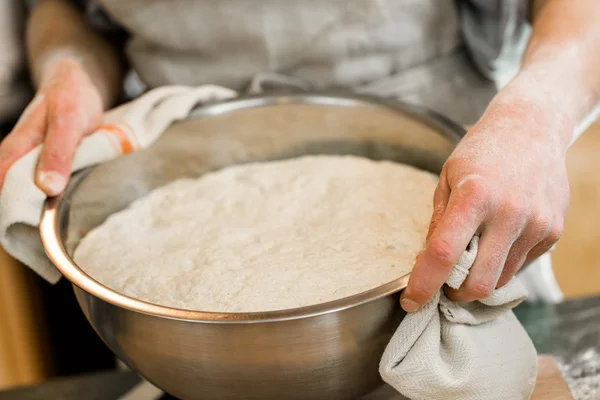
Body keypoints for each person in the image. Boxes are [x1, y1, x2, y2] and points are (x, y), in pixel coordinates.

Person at [0, 0, 599, 314]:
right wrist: (69, 70)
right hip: (184, 163)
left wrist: (537, 111)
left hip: (452, 154)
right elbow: (62, 8)